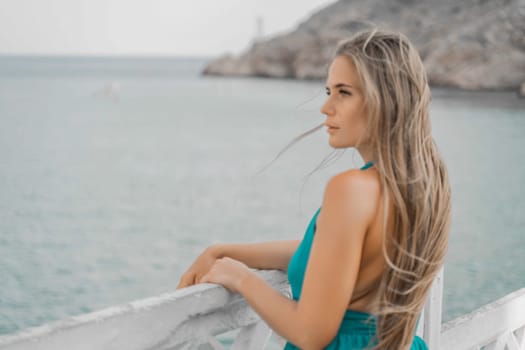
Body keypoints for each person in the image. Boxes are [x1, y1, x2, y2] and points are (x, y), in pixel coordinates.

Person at [176, 28, 451, 350]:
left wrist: (240, 277)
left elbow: (310, 333)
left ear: (384, 100)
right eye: (328, 91)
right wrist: (225, 251)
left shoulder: (351, 188)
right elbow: (333, 254)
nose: (326, 107)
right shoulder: (423, 185)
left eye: (343, 92)